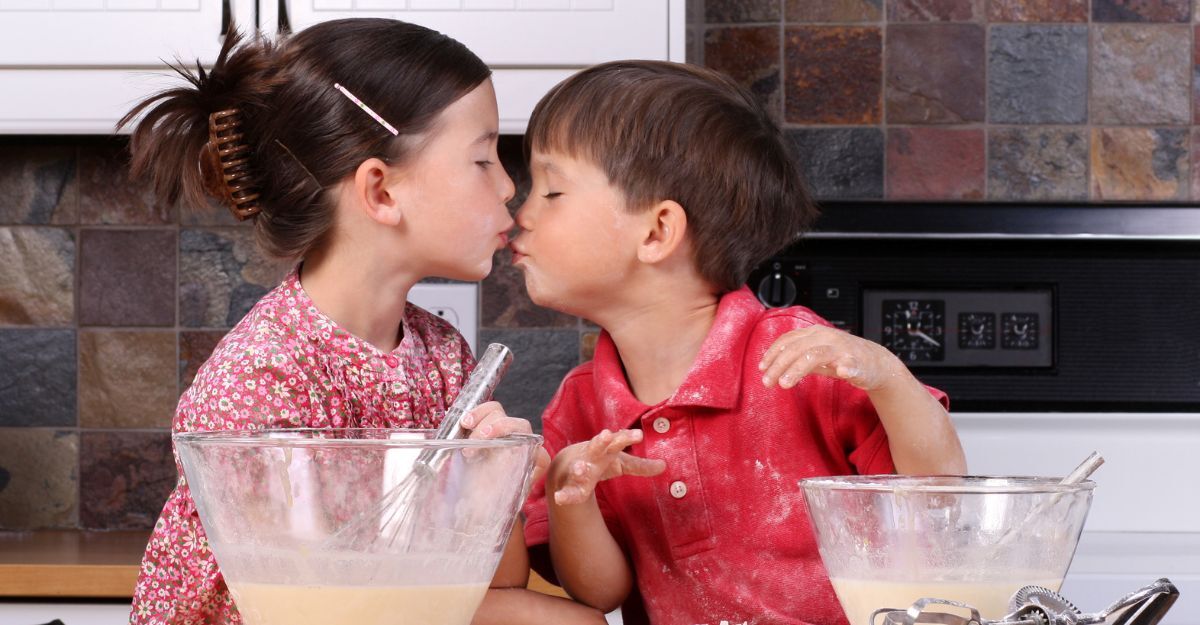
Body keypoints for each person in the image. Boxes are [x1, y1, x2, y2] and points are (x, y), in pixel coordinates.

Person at [121, 19, 603, 625]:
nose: (509, 186)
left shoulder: (442, 353)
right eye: (481, 159)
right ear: (380, 192)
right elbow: (318, 607)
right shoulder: (263, 377)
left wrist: (488, 477)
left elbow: (498, 579)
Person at [512, 60, 968, 625]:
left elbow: (938, 490)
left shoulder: (797, 356)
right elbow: (601, 594)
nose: (522, 213)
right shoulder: (580, 405)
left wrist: (888, 376)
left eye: (552, 190)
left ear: (656, 232)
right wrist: (569, 497)